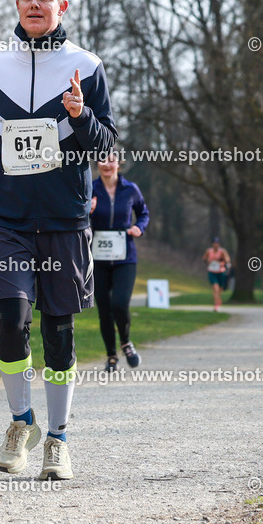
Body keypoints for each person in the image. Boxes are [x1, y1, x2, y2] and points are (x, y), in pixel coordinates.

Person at [0, 0, 116, 481]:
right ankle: (21, 423)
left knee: (58, 330)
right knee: (11, 317)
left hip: (65, 219)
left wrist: (81, 115)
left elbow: (106, 145)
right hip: (8, 219)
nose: (35, 4)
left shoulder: (86, 66)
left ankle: (58, 440)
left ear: (62, 5)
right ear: (17, 4)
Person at [89, 151, 149, 372]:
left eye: (111, 160)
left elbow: (143, 213)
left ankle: (126, 342)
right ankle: (111, 356)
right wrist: (87, 211)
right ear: (97, 163)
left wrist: (139, 227)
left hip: (125, 257)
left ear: (119, 163)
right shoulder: (90, 188)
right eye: (102, 159)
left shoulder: (130, 189)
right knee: (104, 309)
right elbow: (76, 216)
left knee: (120, 304)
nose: (107, 164)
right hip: (98, 258)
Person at [202, 238, 232, 311]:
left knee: (220, 289)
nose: (216, 245)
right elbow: (204, 259)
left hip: (221, 271)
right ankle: (216, 304)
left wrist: (220, 260)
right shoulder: (209, 251)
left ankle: (218, 299)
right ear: (212, 244)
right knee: (215, 288)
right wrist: (209, 261)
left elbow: (227, 259)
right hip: (212, 271)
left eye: (217, 243)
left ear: (219, 244)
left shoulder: (222, 251)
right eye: (214, 243)